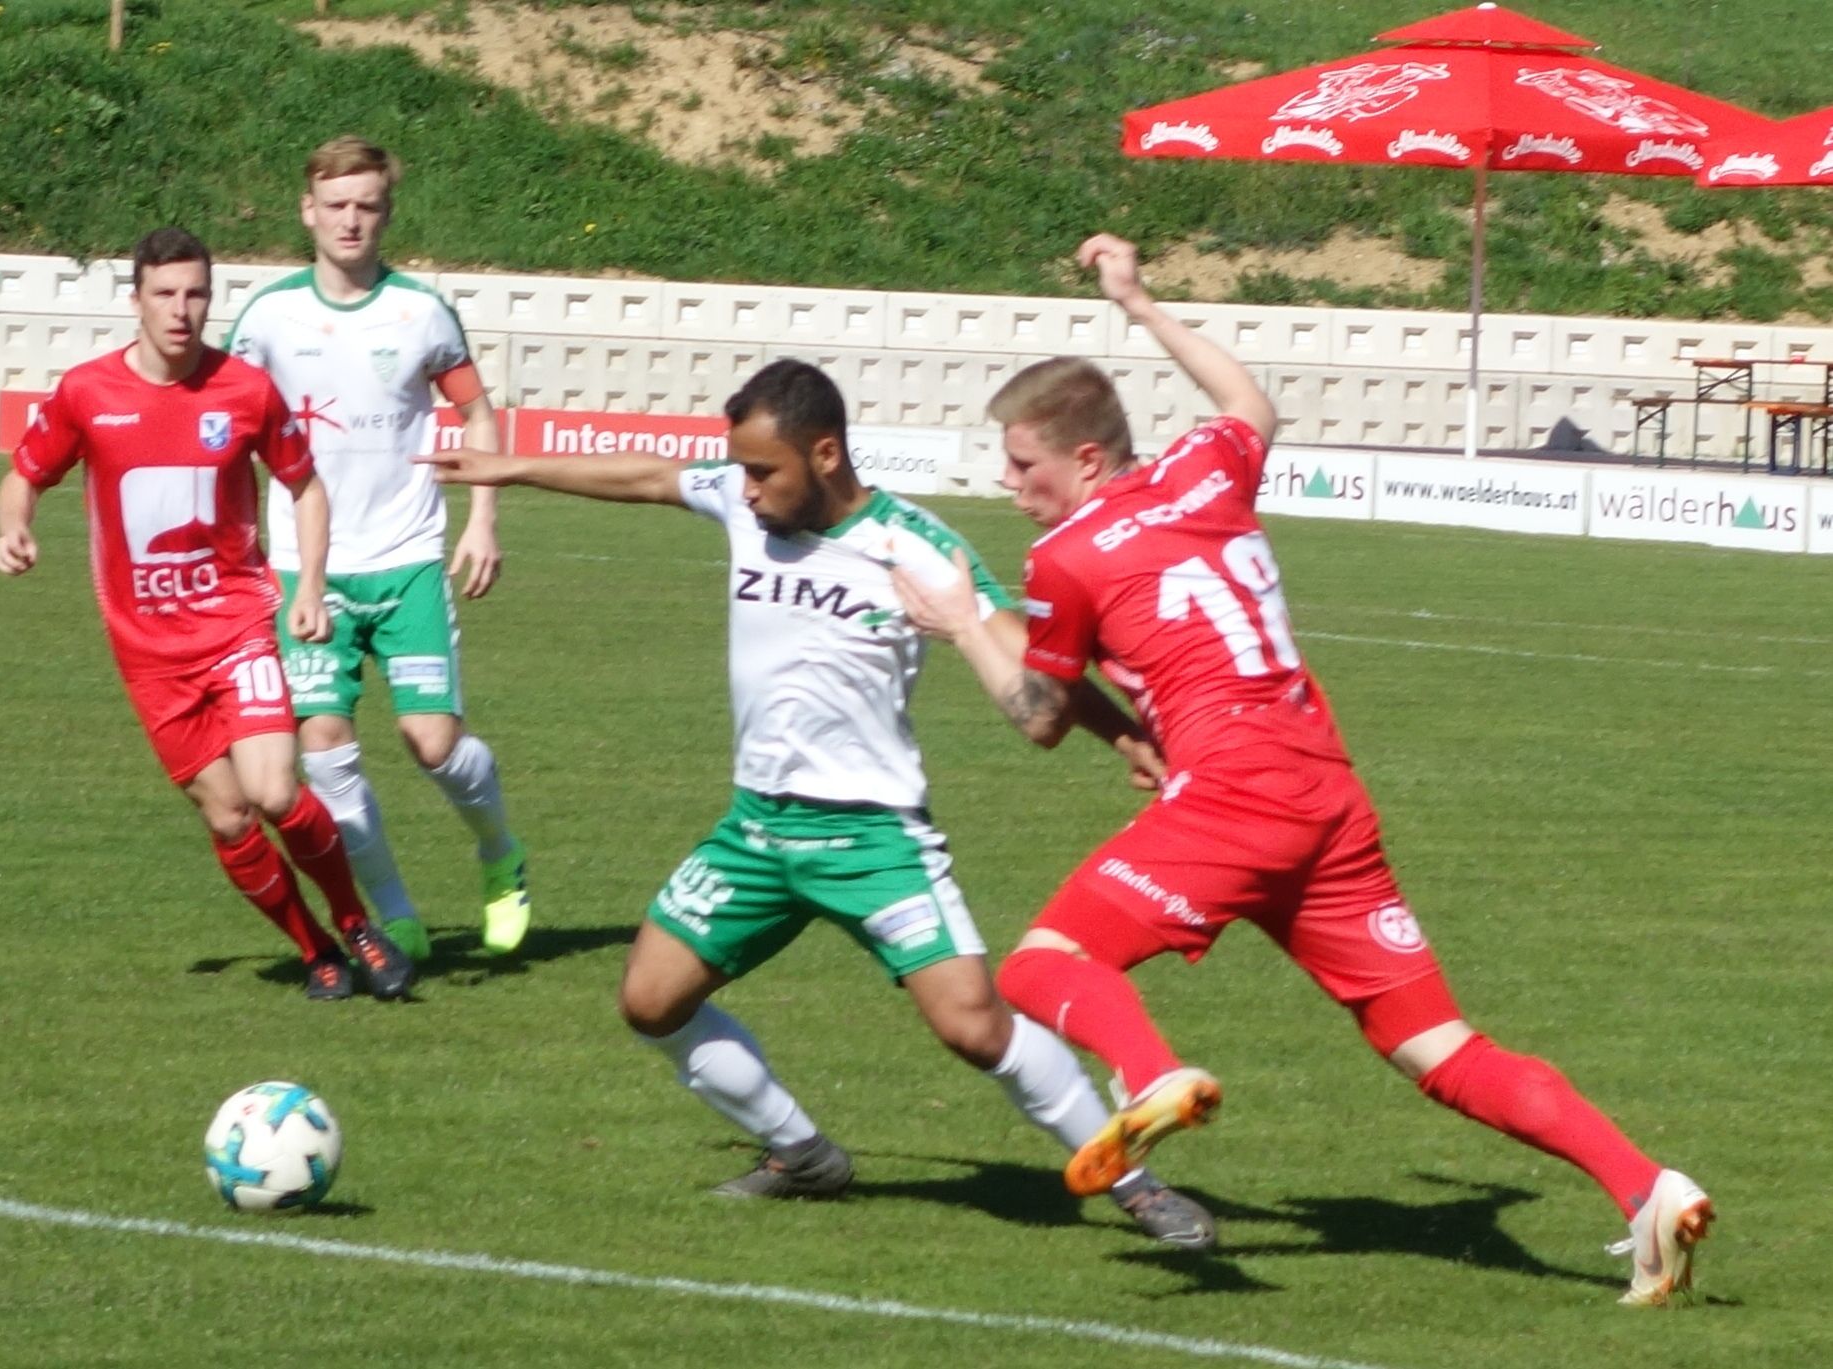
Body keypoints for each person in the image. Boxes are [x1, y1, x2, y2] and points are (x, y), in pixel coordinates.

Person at [893, 232, 1712, 1305]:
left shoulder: (1065, 556)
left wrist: (963, 622)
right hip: (1323, 794)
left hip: (1234, 794)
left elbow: (1040, 717)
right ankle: (1645, 1186)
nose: (1007, 483)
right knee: (1433, 1044)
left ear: (1086, 459)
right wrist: (1140, 303)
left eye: (1022, 464)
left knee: (1042, 967)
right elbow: (1249, 400)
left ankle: (1151, 1076)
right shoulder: (1205, 468)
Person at [420, 358, 1214, 1246]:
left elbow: (1030, 657)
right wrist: (511, 467)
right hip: (756, 830)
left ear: (825, 453)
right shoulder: (743, 503)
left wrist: (1124, 736)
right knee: (650, 1000)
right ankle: (802, 1153)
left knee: (972, 1024)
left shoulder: (914, 544)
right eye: (741, 470)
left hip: (872, 836)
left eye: (764, 470)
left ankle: (1135, 1183)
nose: (746, 488)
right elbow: (647, 476)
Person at [0, 226, 414, 1003]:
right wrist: (12, 528)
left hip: (237, 626)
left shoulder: (245, 389)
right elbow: (24, 475)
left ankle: (355, 921)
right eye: (164, 294)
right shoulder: (87, 393)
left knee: (274, 790)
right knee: (228, 816)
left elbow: (305, 486)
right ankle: (315, 948)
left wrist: (309, 587)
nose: (180, 310)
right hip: (148, 652)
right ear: (136, 301)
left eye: (195, 294)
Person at [225, 135, 527, 962]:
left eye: (366, 206)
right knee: (323, 743)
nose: (350, 221)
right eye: (336, 205)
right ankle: (392, 912)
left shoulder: (420, 313)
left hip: (407, 559)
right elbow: (228, 430)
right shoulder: (267, 319)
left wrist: (482, 519)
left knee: (433, 742)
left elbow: (477, 414)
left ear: (386, 213)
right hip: (306, 570)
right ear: (307, 211)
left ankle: (500, 853)